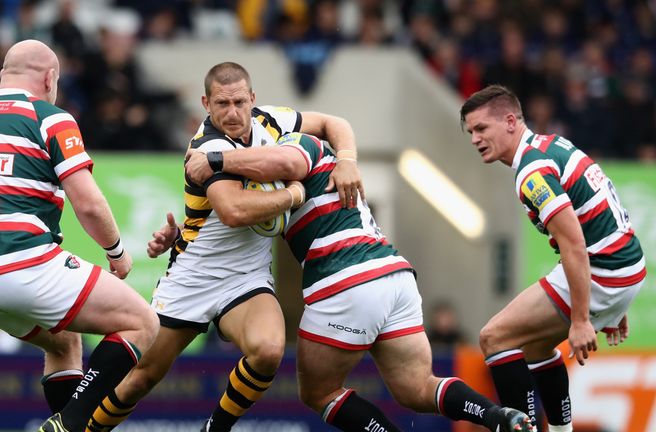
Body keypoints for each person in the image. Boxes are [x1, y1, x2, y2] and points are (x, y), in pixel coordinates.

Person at [181, 131, 536, 432]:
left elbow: (290, 162)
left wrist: (214, 160)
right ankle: (496, 415)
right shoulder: (301, 162)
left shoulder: (296, 144)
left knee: (318, 393)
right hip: (395, 276)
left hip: (346, 281)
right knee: (416, 388)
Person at [83, 61, 363, 432]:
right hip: (193, 277)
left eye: (238, 102)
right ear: (205, 104)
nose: (232, 113)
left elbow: (333, 124)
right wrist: (295, 192)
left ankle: (214, 430)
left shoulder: (270, 119)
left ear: (252, 99)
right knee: (141, 378)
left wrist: (346, 161)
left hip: (246, 278)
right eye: (221, 104)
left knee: (268, 350)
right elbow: (233, 211)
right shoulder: (206, 145)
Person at [0, 39, 159, 432]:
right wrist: (117, 253)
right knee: (142, 321)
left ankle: (66, 423)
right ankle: (71, 422)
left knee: (64, 342)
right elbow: (88, 203)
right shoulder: (49, 117)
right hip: (22, 262)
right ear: (50, 77)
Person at [459, 84, 646, 432]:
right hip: (625, 267)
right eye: (471, 132)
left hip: (604, 269)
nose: (475, 139)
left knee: (494, 338)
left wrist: (581, 319)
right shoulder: (551, 145)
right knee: (533, 347)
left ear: (511, 121)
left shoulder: (531, 171)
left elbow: (574, 243)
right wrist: (612, 304)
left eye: (482, 128)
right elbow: (600, 209)